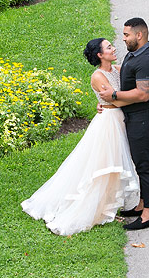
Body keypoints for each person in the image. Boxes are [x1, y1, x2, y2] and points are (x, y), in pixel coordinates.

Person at [21, 38, 141, 236]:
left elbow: (122, 93)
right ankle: (94, 207)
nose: (113, 49)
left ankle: (108, 204)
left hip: (119, 120)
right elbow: (117, 102)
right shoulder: (97, 76)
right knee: (102, 166)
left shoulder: (118, 70)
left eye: (112, 45)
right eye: (108, 47)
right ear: (99, 55)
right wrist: (141, 97)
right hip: (109, 123)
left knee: (115, 164)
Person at [96, 17, 149, 231]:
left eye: (126, 35)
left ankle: (148, 215)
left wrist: (114, 95)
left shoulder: (147, 60)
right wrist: (106, 104)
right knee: (140, 163)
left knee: (146, 165)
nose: (123, 39)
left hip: (145, 119)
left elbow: (142, 95)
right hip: (136, 118)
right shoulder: (136, 54)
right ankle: (142, 205)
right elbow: (132, 83)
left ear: (139, 35)